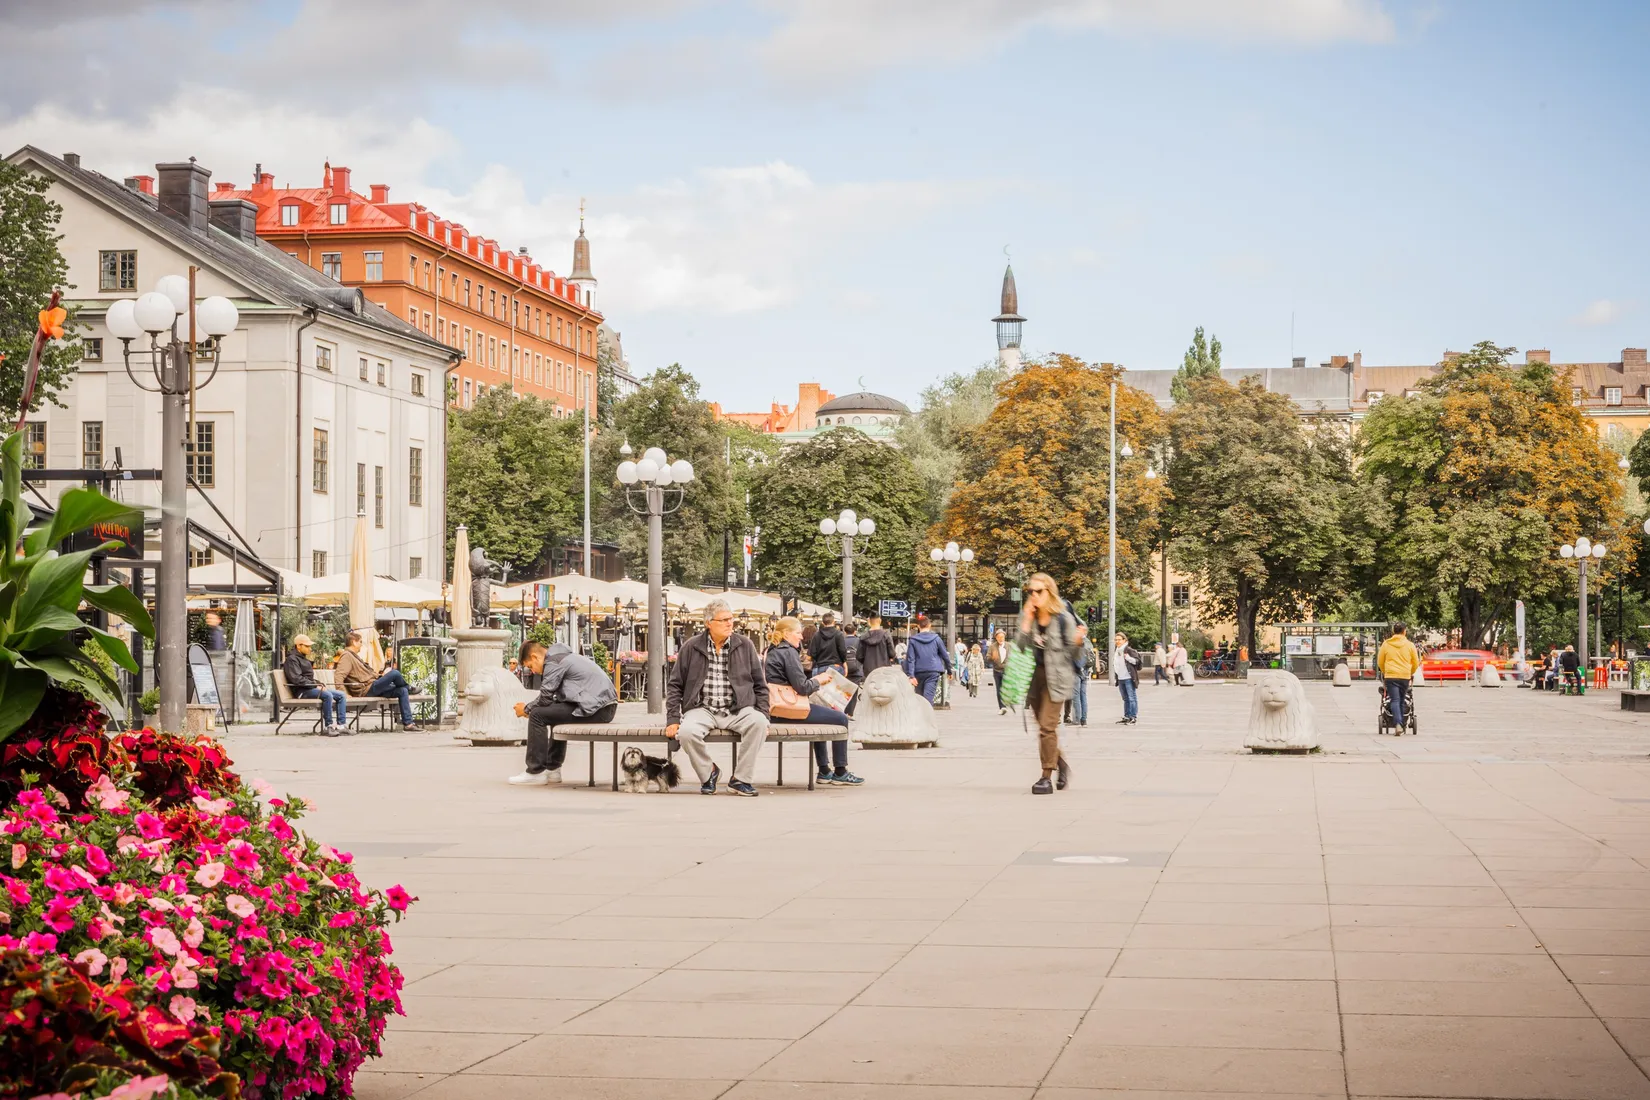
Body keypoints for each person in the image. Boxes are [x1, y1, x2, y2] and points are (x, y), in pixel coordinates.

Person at [666, 599, 770, 796]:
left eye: (731, 619)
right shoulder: (691, 647)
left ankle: (740, 780)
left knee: (758, 723)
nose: (730, 623)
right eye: (723, 620)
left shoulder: (745, 645)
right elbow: (675, 685)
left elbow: (760, 684)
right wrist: (672, 718)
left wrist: (764, 713)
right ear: (708, 623)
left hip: (738, 708)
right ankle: (709, 773)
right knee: (686, 732)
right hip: (702, 708)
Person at [764, 616, 864, 786]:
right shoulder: (788, 652)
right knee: (840, 718)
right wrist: (820, 679)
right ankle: (840, 771)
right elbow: (802, 687)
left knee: (822, 715)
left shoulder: (772, 650)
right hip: (789, 709)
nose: (801, 637)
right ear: (787, 634)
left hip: (775, 709)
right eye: (798, 633)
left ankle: (824, 771)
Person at [508, 642, 618, 785]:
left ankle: (536, 772)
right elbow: (552, 700)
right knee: (553, 712)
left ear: (535, 657)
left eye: (530, 666)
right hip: (603, 707)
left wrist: (526, 709)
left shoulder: (553, 662)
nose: (533, 671)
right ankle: (553, 770)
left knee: (537, 715)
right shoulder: (564, 657)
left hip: (597, 708)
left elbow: (545, 697)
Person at [1018, 574, 1079, 795]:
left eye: (1038, 591)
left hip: (1057, 679)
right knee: (1044, 729)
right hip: (1034, 679)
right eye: (1030, 592)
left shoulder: (1063, 618)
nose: (1033, 595)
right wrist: (1025, 621)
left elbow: (1075, 652)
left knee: (1046, 727)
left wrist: (1079, 641)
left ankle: (1046, 777)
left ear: (1049, 592)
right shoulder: (1029, 617)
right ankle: (1061, 765)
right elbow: (1020, 648)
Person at [334, 631, 420, 731]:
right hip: (366, 689)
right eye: (360, 642)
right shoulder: (347, 656)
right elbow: (338, 676)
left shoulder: (353, 656)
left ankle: (408, 724)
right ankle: (409, 687)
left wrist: (379, 676)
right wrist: (343, 693)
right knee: (395, 673)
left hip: (373, 685)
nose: (361, 645)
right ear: (354, 642)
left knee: (402, 691)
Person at [283, 634, 346, 735]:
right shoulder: (292, 660)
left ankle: (341, 726)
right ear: (298, 646)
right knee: (327, 695)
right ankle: (328, 727)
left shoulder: (303, 659)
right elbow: (297, 679)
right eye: (307, 646)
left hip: (309, 688)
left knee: (341, 695)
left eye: (310, 646)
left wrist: (319, 684)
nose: (310, 648)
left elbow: (308, 678)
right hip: (301, 691)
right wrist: (315, 685)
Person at [1376, 623, 1420, 729]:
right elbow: (1415, 662)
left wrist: (1385, 671)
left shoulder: (1386, 644)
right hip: (1405, 676)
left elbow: (1380, 661)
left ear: (1393, 631)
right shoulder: (1410, 645)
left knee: (1394, 699)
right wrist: (1410, 672)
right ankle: (1400, 723)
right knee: (1401, 699)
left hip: (1391, 676)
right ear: (1404, 631)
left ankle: (1398, 724)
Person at [902, 614, 949, 703]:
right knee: (928, 698)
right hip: (933, 671)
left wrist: (911, 675)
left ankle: (921, 715)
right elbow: (945, 655)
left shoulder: (913, 640)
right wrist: (949, 670)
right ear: (930, 625)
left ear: (918, 626)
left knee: (919, 698)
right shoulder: (936, 639)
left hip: (918, 672)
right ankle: (927, 715)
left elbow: (910, 659)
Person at [808, 612, 849, 677]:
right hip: (836, 665)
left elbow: (812, 653)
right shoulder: (838, 634)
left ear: (823, 623)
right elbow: (842, 651)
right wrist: (844, 663)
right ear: (833, 622)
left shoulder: (816, 635)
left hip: (820, 666)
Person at [1113, 632, 1141, 724]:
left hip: (1129, 677)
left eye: (1119, 639)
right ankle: (1127, 716)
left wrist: (1129, 658)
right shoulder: (1117, 650)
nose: (1117, 641)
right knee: (1125, 698)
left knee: (1131, 697)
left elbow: (1138, 662)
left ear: (1124, 640)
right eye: (1116, 640)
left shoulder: (1128, 650)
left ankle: (1133, 717)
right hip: (1120, 678)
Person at [986, 629, 1011, 714]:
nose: (1001, 639)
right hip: (997, 671)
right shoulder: (992, 647)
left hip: (1007, 670)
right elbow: (987, 658)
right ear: (996, 638)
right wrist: (992, 657)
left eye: (1002, 637)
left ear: (1004, 637)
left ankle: (1005, 704)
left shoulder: (1009, 646)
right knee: (999, 689)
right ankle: (1002, 707)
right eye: (999, 637)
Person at [843, 619, 864, 684]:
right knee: (855, 688)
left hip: (844, 670)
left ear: (845, 632)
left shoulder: (841, 641)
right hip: (857, 670)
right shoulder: (859, 641)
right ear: (854, 632)